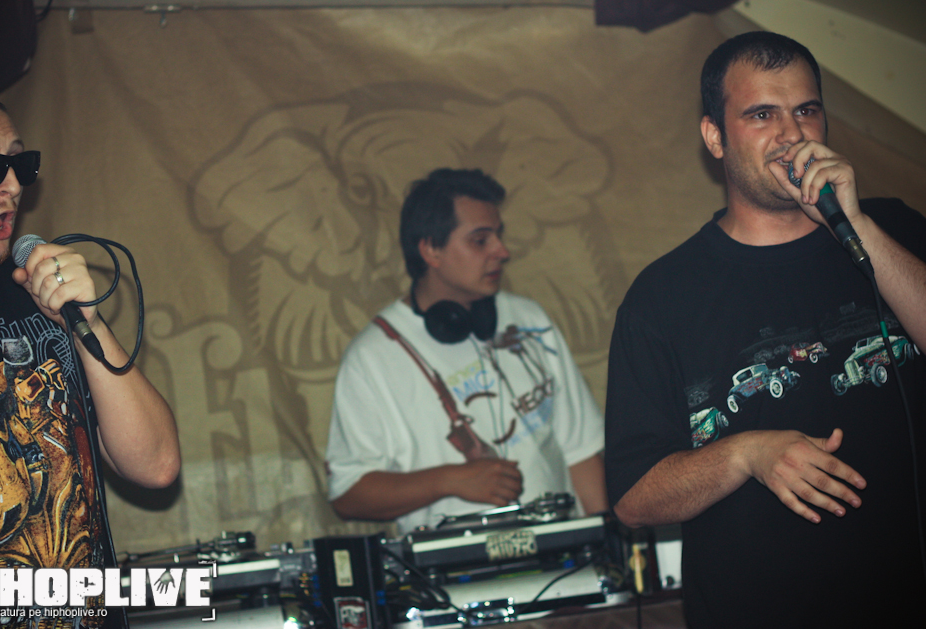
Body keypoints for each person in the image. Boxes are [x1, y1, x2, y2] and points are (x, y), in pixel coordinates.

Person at [604, 31, 926, 628]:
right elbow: (632, 499)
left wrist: (854, 223)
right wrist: (746, 454)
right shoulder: (661, 298)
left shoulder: (893, 228)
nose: (791, 134)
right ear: (715, 137)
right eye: (761, 114)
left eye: (806, 110)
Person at [0, 86, 181, 626]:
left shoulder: (40, 297)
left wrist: (86, 320)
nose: (11, 185)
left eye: (20, 163)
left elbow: (157, 465)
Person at [326, 168, 607, 534]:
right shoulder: (371, 358)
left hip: (563, 552)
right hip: (457, 565)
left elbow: (580, 449)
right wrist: (450, 480)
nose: (502, 252)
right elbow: (347, 493)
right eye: (480, 240)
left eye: (499, 236)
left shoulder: (529, 319)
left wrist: (606, 542)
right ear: (431, 249)